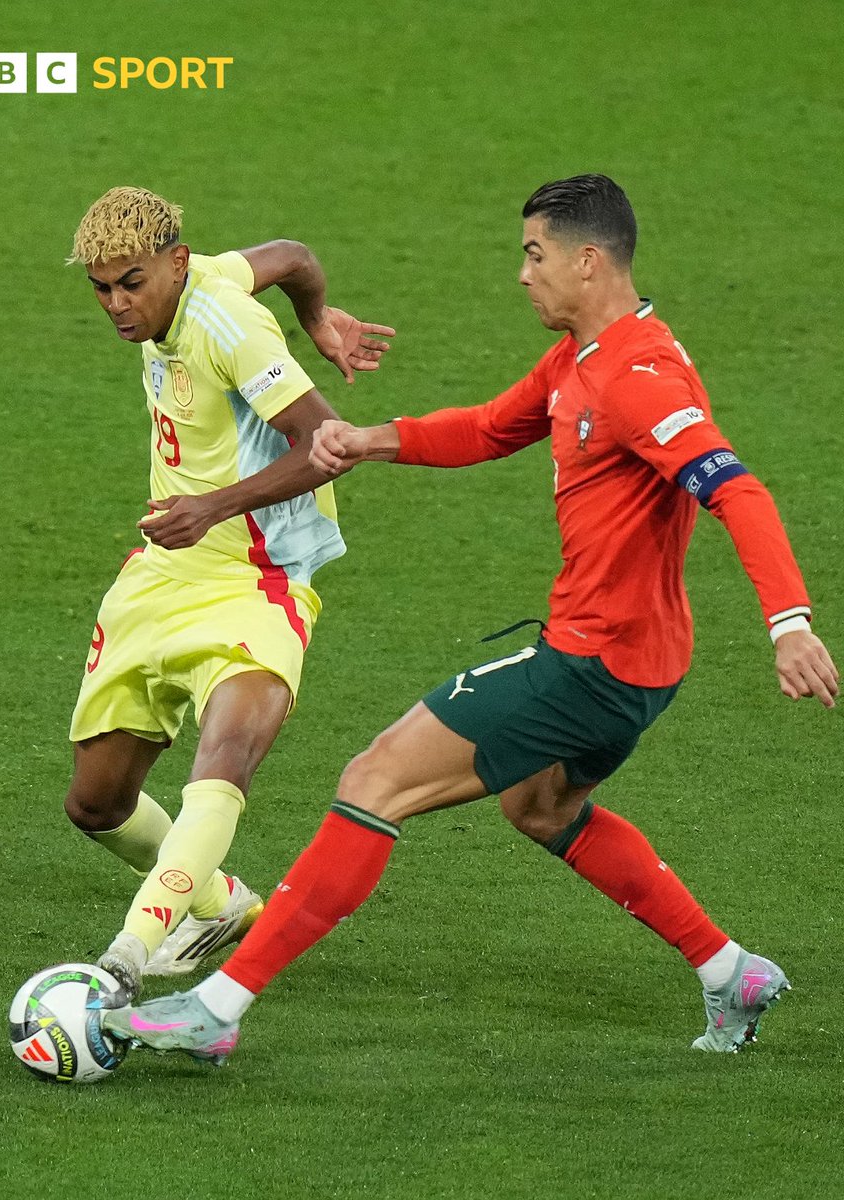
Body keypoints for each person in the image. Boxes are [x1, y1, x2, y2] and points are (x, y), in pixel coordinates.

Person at [103, 174, 838, 1059]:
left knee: (375, 779)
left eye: (535, 255)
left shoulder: (637, 380)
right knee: (542, 808)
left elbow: (737, 488)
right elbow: (493, 427)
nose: (521, 275)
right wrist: (372, 439)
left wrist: (789, 623)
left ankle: (216, 1009)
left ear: (588, 260)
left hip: (591, 664)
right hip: (643, 665)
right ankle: (730, 972)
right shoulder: (587, 356)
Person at [64, 186, 395, 997]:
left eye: (131, 283)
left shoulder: (224, 322)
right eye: (101, 287)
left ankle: (122, 965)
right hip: (161, 576)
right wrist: (320, 318)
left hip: (256, 582)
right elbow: (291, 255)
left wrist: (210, 508)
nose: (116, 304)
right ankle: (211, 905)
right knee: (97, 805)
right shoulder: (201, 278)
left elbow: (327, 443)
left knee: (223, 762)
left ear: (175, 263)